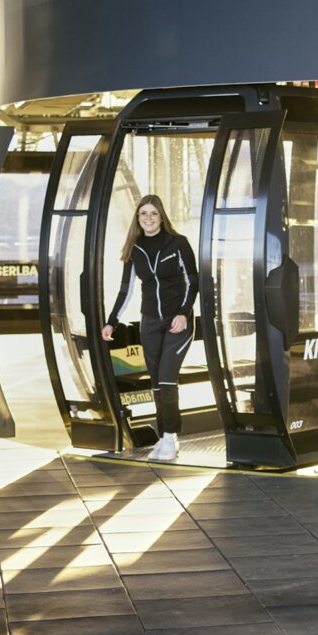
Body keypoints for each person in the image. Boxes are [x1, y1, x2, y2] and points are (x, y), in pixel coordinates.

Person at [101, 195, 198, 461]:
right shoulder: (135, 248)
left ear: (161, 216)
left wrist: (183, 313)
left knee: (167, 379)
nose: (148, 218)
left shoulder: (178, 244)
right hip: (151, 323)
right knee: (156, 383)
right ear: (138, 218)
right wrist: (112, 320)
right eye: (143, 213)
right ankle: (165, 436)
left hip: (178, 322)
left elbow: (193, 281)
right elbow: (126, 288)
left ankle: (171, 437)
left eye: (153, 213)